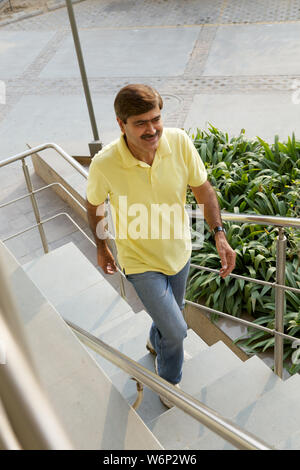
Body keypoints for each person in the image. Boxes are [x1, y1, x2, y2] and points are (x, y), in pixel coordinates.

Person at [86, 84, 236, 408]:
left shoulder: (179, 142)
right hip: (139, 262)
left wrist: (219, 234)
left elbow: (203, 190)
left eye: (156, 119)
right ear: (120, 123)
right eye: (140, 122)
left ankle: (155, 341)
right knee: (178, 330)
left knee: (168, 323)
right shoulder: (104, 163)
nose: (152, 129)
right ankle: (169, 383)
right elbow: (94, 204)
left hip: (180, 252)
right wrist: (101, 246)